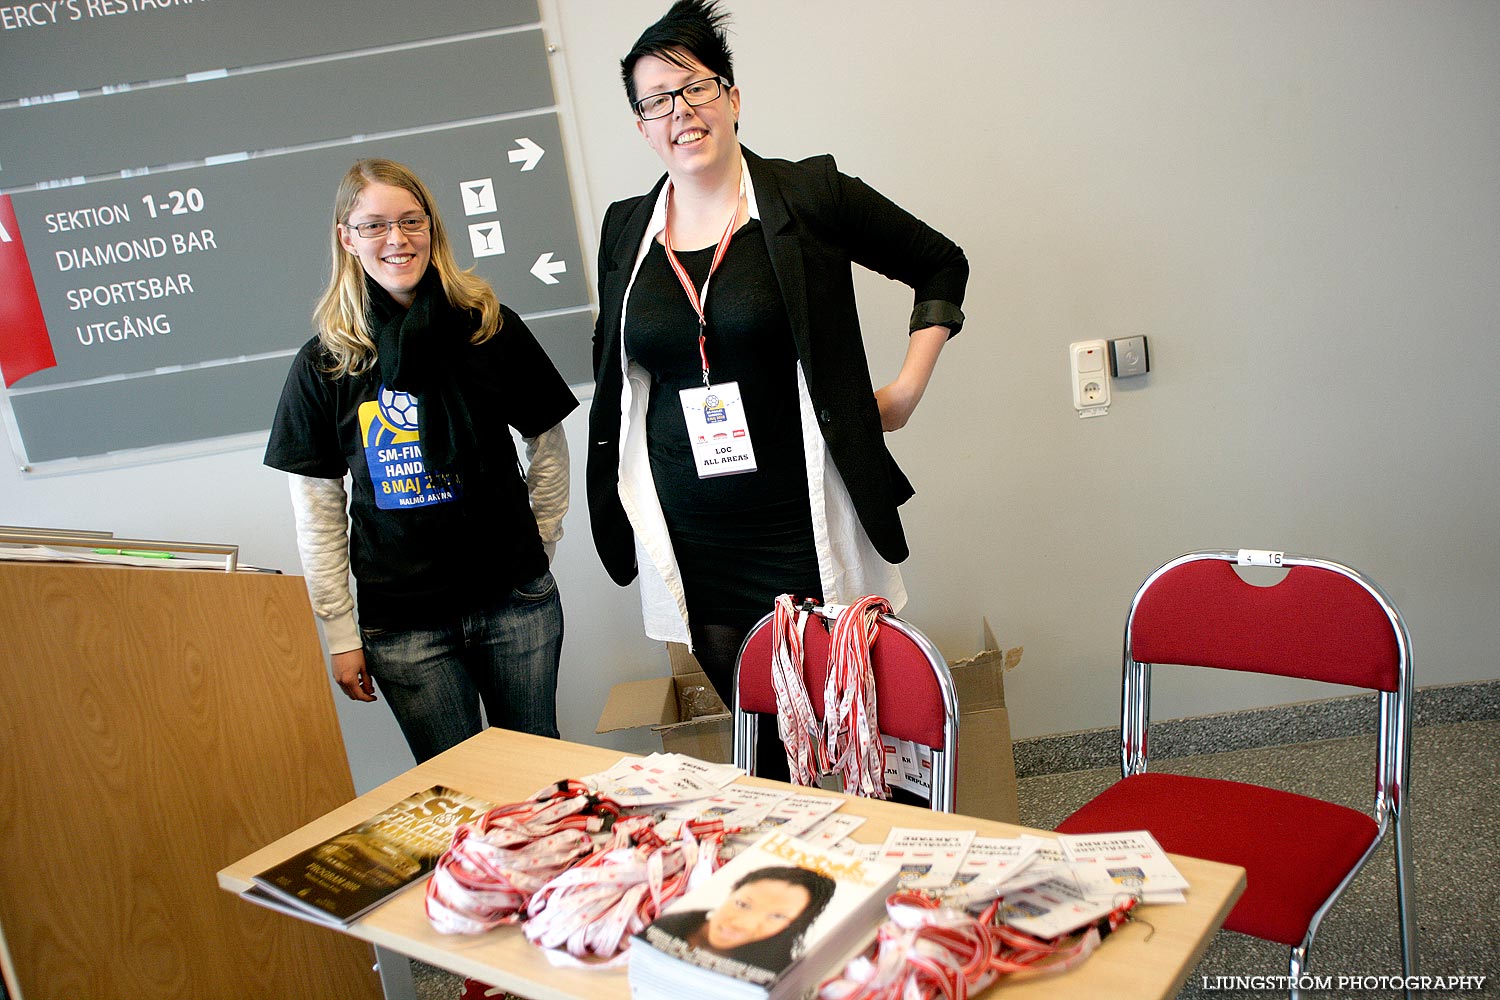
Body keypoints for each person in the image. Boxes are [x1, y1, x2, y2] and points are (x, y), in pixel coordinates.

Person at [586, 0, 969, 724]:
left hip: (802, 523)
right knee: (763, 750)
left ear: (732, 96)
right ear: (642, 125)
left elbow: (941, 265)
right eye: (657, 100)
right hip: (695, 538)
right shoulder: (624, 231)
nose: (681, 112)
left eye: (696, 87)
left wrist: (907, 391)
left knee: (863, 742)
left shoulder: (807, 195)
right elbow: (621, 360)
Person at [265, 158, 578, 763]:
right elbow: (319, 509)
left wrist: (538, 546)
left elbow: (549, 445)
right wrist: (339, 631)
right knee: (457, 795)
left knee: (540, 775)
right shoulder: (327, 362)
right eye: (375, 225)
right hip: (404, 627)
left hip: (516, 606)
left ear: (433, 228)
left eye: (411, 221)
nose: (397, 239)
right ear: (347, 237)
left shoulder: (488, 328)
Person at [646, 865, 838, 976]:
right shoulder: (666, 923)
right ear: (731, 893)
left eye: (777, 917)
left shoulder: (779, 971)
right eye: (743, 904)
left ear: (792, 925)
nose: (742, 924)